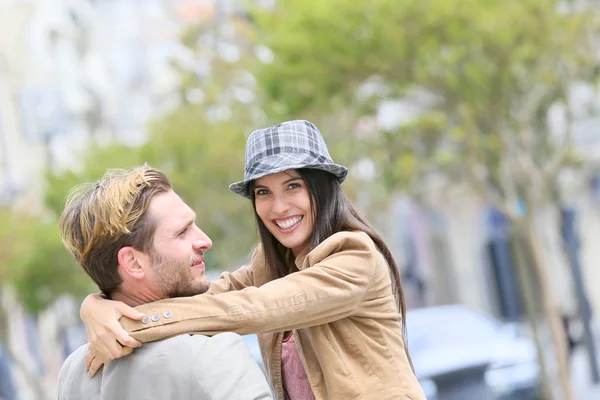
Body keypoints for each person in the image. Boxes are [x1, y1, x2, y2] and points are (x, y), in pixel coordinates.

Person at [80, 120, 426, 400]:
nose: (278, 207)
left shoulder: (356, 258)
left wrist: (128, 324)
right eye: (263, 192)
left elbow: (248, 309)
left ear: (321, 188)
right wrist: (98, 305)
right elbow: (206, 298)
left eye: (293, 187)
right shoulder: (270, 265)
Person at [57, 166, 272, 400]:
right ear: (133, 262)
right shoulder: (210, 353)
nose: (204, 241)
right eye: (182, 232)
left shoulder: (73, 373)